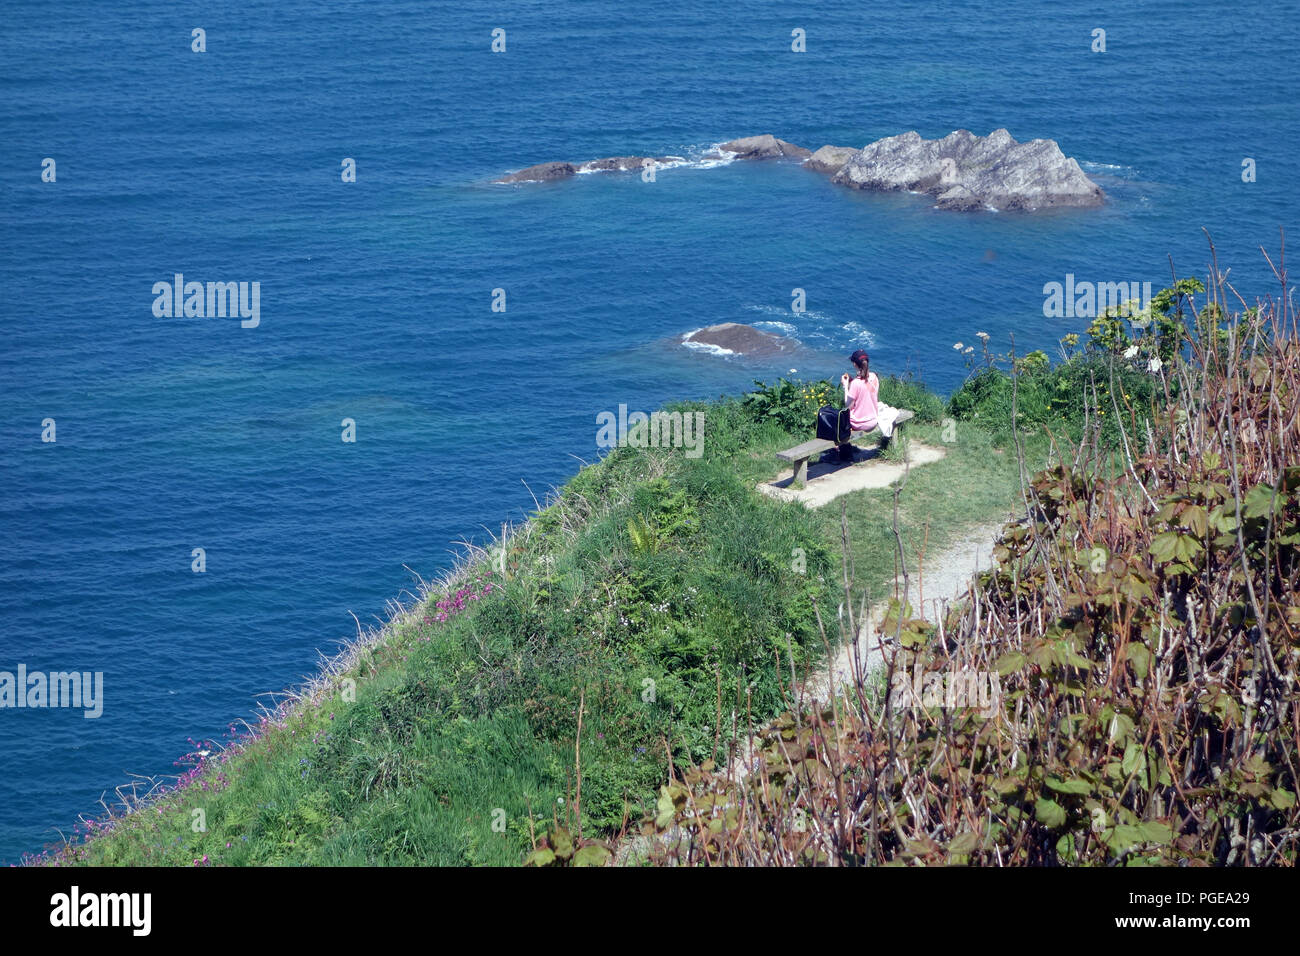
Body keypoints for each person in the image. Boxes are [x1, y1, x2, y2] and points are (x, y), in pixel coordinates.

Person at [839, 349, 900, 460]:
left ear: (854, 364)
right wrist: (852, 384)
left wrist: (846, 386)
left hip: (860, 423)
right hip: (873, 419)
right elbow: (867, 393)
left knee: (838, 420)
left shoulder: (856, 384)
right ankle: (845, 450)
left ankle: (843, 452)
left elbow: (848, 407)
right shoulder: (874, 377)